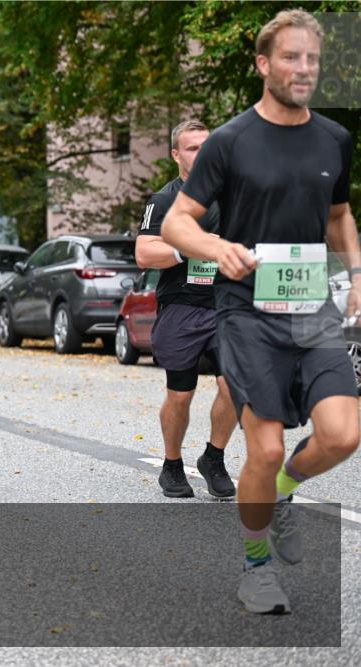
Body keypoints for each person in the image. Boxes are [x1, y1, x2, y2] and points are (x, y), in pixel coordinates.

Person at [163, 9, 360, 614]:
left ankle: (280, 493)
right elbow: (177, 221)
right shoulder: (229, 142)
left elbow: (337, 217)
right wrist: (216, 247)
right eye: (291, 57)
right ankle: (256, 567)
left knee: (343, 434)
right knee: (266, 446)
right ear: (263, 64)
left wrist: (356, 271)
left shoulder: (334, 139)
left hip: (313, 308)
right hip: (248, 314)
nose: (303, 69)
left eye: (312, 60)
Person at [136, 120, 237, 499]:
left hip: (227, 308)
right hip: (181, 306)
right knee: (181, 394)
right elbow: (144, 254)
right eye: (192, 148)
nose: (202, 153)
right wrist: (192, 246)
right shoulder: (164, 201)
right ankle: (172, 464)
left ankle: (214, 457)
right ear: (176, 155)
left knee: (235, 385)